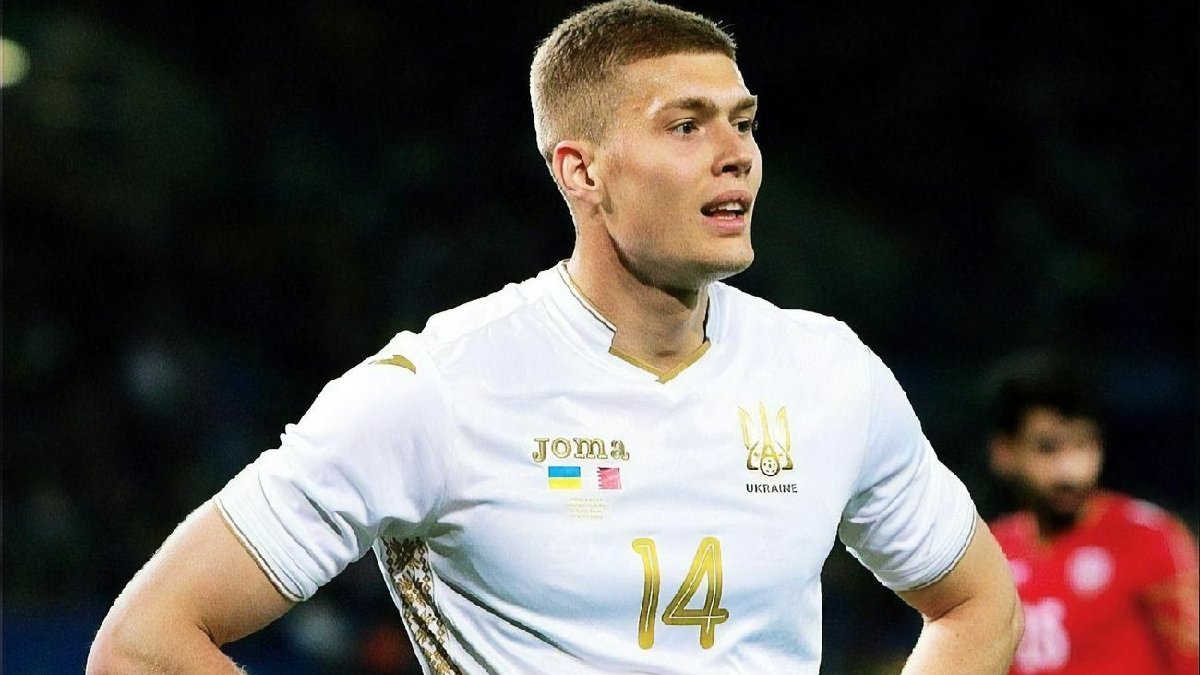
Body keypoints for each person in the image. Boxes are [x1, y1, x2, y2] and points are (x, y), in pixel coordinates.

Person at [87, 1, 1021, 672]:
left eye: (742, 123)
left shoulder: (828, 372)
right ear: (581, 171)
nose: (736, 152)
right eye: (686, 126)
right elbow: (144, 643)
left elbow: (979, 601)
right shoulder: (441, 387)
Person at [983, 350, 1199, 675]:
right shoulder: (989, 553)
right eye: (1048, 448)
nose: (1070, 471)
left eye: (1083, 445)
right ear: (1004, 453)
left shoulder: (1148, 538)